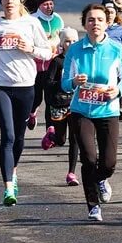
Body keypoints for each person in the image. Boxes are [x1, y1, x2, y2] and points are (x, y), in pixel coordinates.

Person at [0, 0, 52, 206]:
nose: (9, 1)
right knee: (8, 135)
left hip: (25, 84)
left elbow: (47, 51)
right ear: (1, 2)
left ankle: (14, 170)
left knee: (19, 137)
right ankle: (8, 187)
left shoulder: (31, 23)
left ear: (20, 2)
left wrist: (30, 49)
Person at [62, 3, 122, 221]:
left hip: (108, 110)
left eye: (100, 20)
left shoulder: (115, 49)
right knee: (89, 159)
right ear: (85, 23)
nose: (95, 24)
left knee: (109, 163)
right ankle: (93, 206)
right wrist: (73, 81)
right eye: (91, 20)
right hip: (81, 111)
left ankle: (102, 179)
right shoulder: (75, 50)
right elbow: (64, 83)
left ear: (106, 23)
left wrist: (118, 90)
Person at [42, 26, 80, 186]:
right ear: (62, 44)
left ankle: (71, 173)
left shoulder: (81, 59)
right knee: (61, 140)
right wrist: (65, 84)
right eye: (67, 41)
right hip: (60, 103)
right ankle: (52, 136)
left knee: (75, 139)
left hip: (77, 104)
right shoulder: (57, 61)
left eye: (74, 41)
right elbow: (48, 83)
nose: (70, 44)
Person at [25, 0, 63, 131]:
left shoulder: (58, 19)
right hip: (35, 65)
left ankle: (50, 130)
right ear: (39, 5)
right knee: (36, 98)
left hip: (51, 65)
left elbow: (62, 37)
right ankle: (32, 113)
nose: (49, 7)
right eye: (45, 4)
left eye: (51, 3)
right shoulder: (32, 20)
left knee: (50, 100)